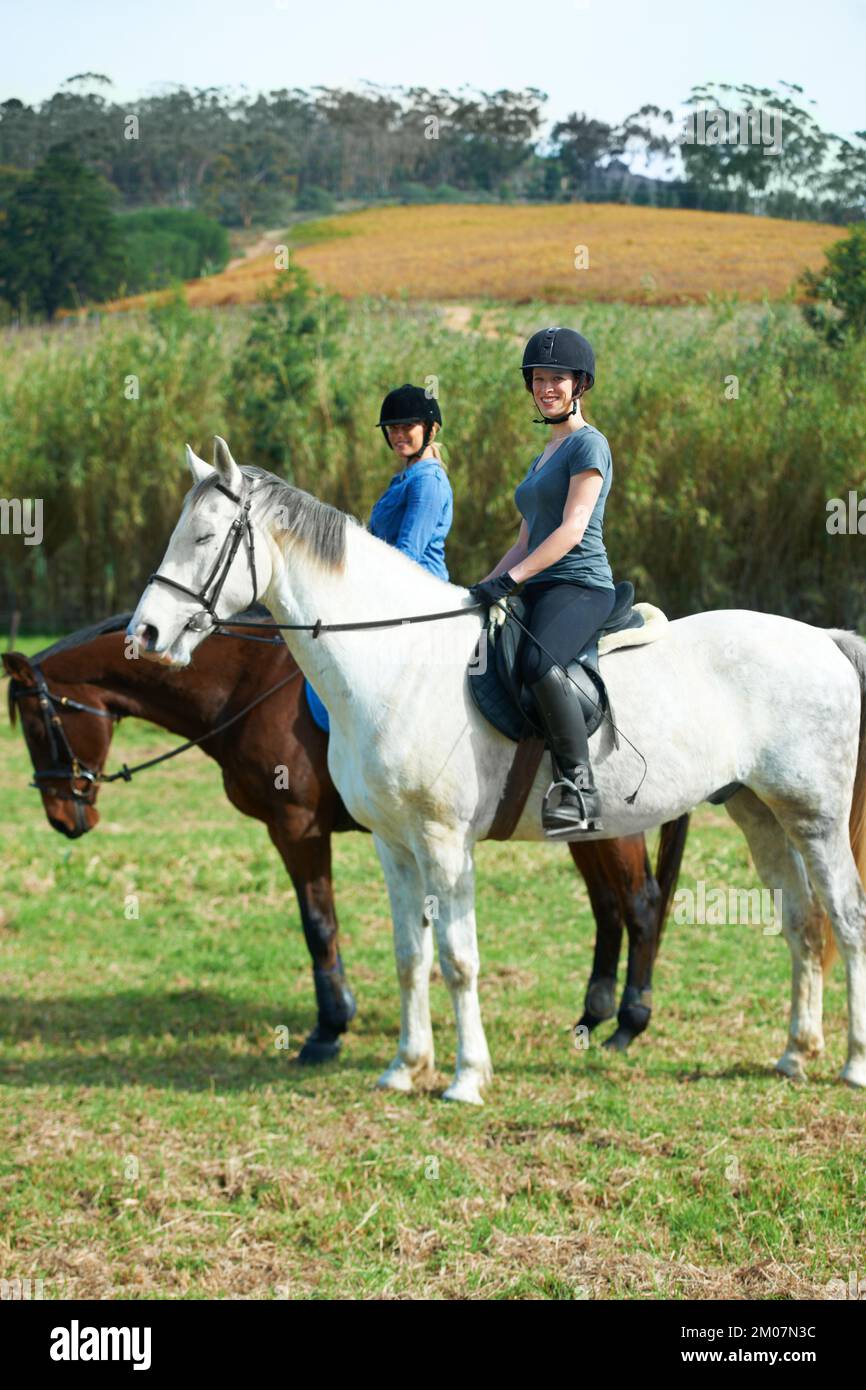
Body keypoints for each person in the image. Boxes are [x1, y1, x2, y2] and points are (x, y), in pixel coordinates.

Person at [468, 327, 616, 838]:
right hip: (536, 582)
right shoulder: (543, 457)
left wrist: (512, 579)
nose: (545, 387)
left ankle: (580, 786)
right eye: (538, 378)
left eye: (557, 378)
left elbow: (572, 531)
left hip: (580, 585)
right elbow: (525, 542)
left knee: (537, 662)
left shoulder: (588, 446)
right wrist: (481, 587)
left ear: (579, 385)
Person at [305, 384, 453, 732]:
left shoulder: (428, 481)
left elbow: (407, 557)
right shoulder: (405, 477)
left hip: (418, 598)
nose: (399, 435)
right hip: (393, 590)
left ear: (430, 429)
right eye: (393, 429)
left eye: (407, 427)